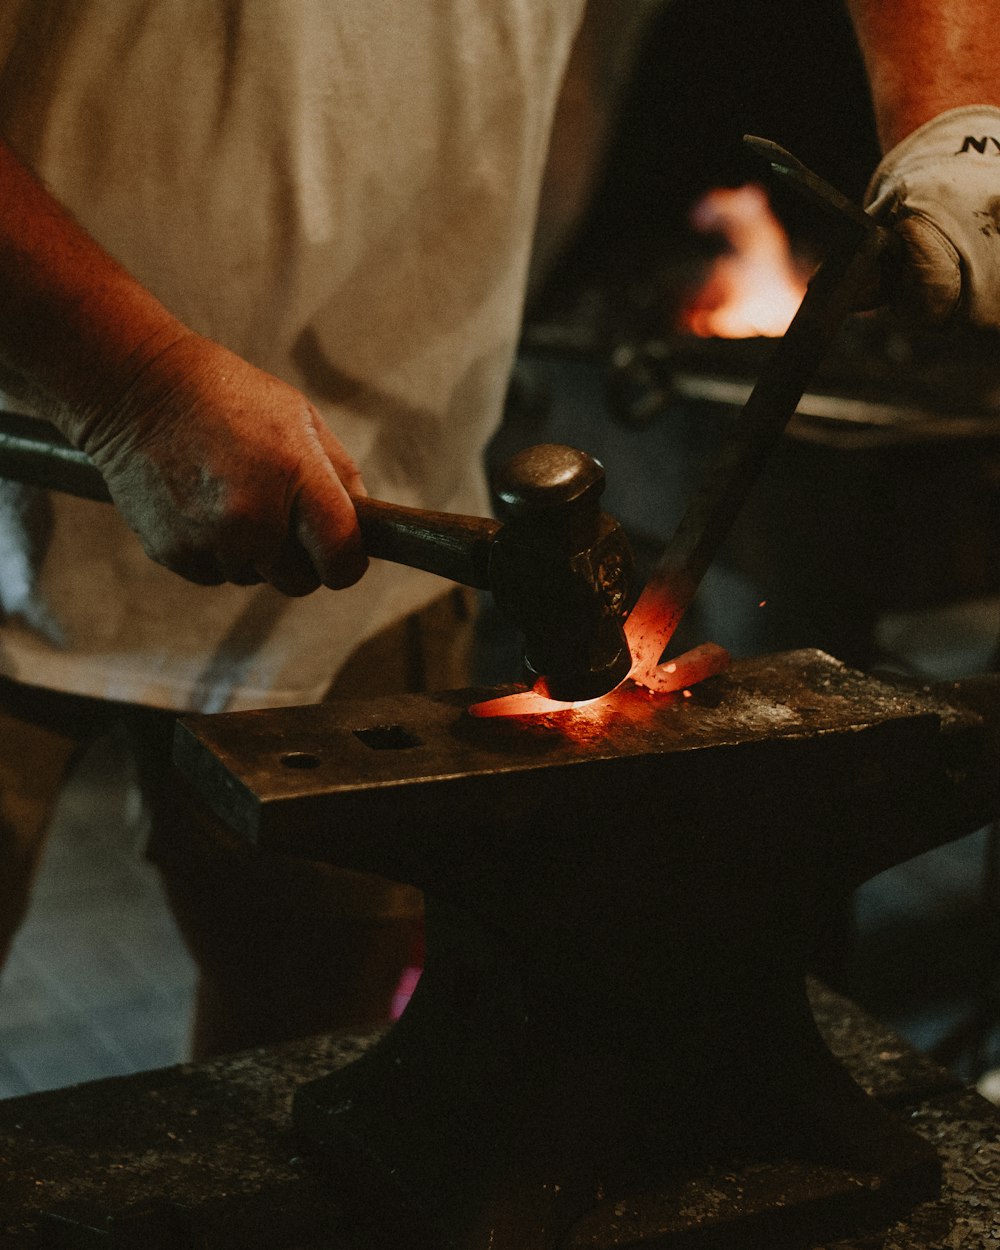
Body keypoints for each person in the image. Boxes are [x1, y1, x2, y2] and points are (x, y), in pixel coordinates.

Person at [0, 0, 997, 1058]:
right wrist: (130, 388)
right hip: (24, 446)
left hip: (383, 494)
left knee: (310, 1040)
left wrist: (953, 129)